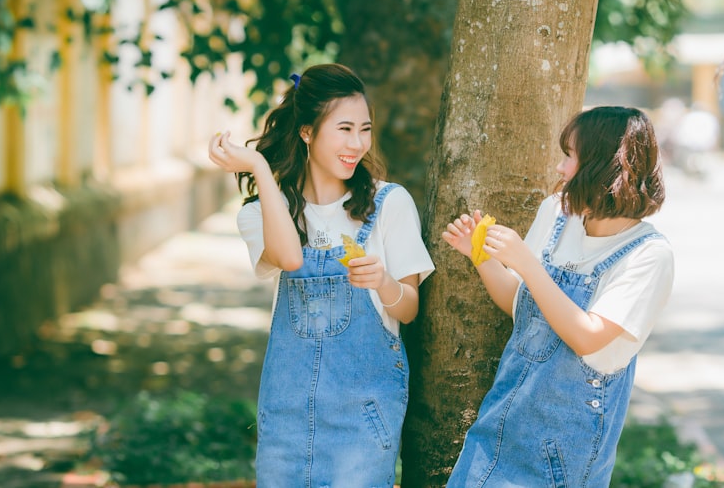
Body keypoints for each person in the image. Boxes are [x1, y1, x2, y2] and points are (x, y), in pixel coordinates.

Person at [207, 63, 434, 488]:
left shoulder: (390, 204)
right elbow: (290, 258)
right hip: (287, 425)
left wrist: (383, 282)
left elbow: (409, 309)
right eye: (344, 129)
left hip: (364, 425)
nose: (358, 144)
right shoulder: (261, 213)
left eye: (364, 129)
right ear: (307, 132)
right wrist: (259, 166)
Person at [442, 106, 673, 487]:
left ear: (604, 168)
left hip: (563, 450)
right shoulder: (556, 212)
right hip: (500, 423)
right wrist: (479, 255)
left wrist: (528, 265)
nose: (561, 169)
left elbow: (587, 335)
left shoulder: (648, 255)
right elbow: (521, 305)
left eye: (571, 157)